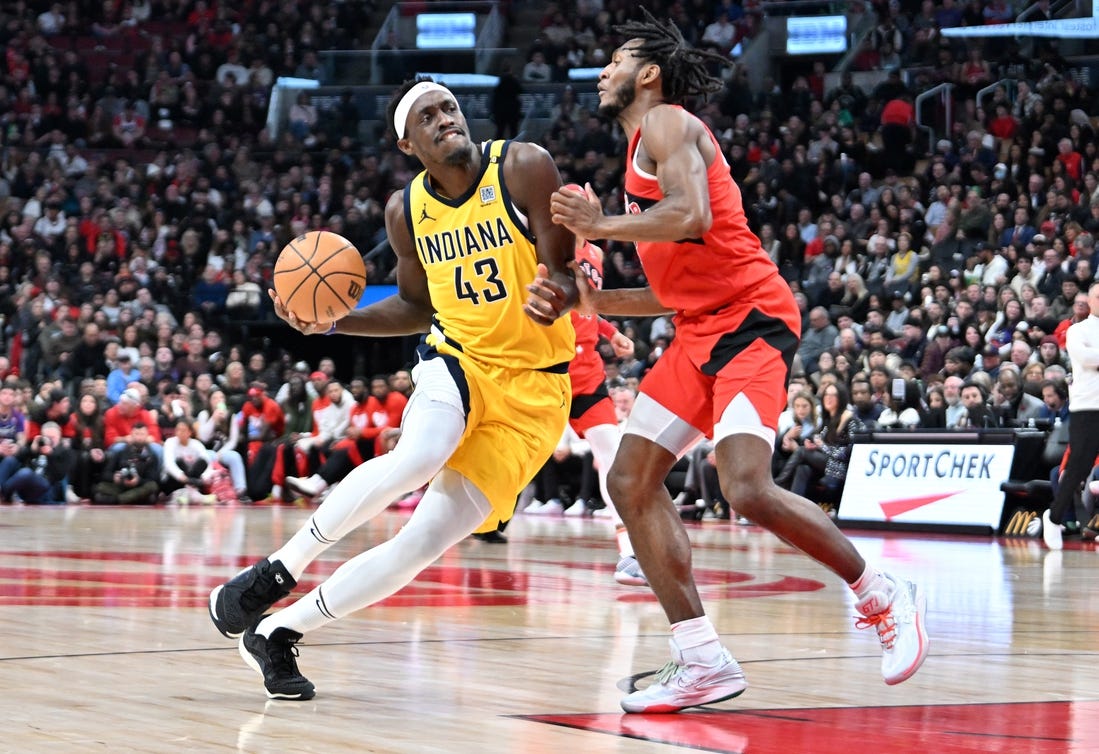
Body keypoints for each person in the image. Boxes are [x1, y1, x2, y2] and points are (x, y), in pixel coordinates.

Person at [546, 12, 928, 714]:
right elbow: (665, 291)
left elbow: (690, 215)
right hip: (696, 331)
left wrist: (598, 226)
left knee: (745, 487)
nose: (602, 71)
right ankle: (700, 661)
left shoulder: (664, 123)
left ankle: (879, 591)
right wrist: (580, 299)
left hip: (750, 319)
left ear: (648, 73)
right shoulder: (637, 153)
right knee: (629, 480)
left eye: (614, 60)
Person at [209, 77, 578, 701]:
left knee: (421, 545)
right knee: (420, 453)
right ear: (407, 143)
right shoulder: (405, 210)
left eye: (450, 108)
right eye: (427, 116)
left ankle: (277, 632)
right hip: (456, 357)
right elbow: (414, 307)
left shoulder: (522, 166)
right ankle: (277, 571)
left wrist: (561, 290)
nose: (444, 120)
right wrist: (333, 321)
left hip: (537, 390)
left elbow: (564, 271)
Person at [525, 183, 645, 584]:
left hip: (589, 374)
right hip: (546, 372)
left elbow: (587, 308)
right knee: (510, 458)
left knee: (612, 459)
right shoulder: (541, 251)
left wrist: (611, 333)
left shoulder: (594, 251)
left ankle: (628, 553)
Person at [1044, 281, 1099, 550]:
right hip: (1088, 407)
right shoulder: (1078, 330)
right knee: (1078, 465)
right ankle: (1054, 518)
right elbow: (1087, 358)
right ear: (1089, 300)